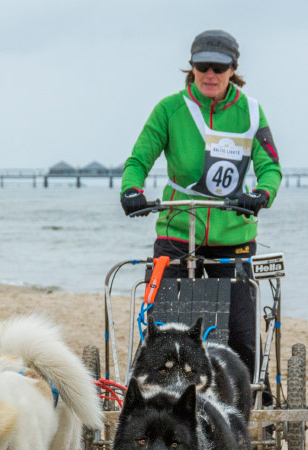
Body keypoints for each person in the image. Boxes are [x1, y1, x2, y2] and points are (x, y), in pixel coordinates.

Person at [120, 29, 282, 383]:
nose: (210, 74)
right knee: (162, 326)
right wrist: (131, 188)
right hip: (177, 231)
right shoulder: (169, 109)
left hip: (233, 233)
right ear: (191, 67)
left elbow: (270, 167)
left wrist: (262, 193)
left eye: (219, 67)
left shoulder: (252, 113)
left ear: (233, 69)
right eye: (202, 66)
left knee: (240, 332)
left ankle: (250, 394)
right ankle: (156, 392)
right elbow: (139, 159)